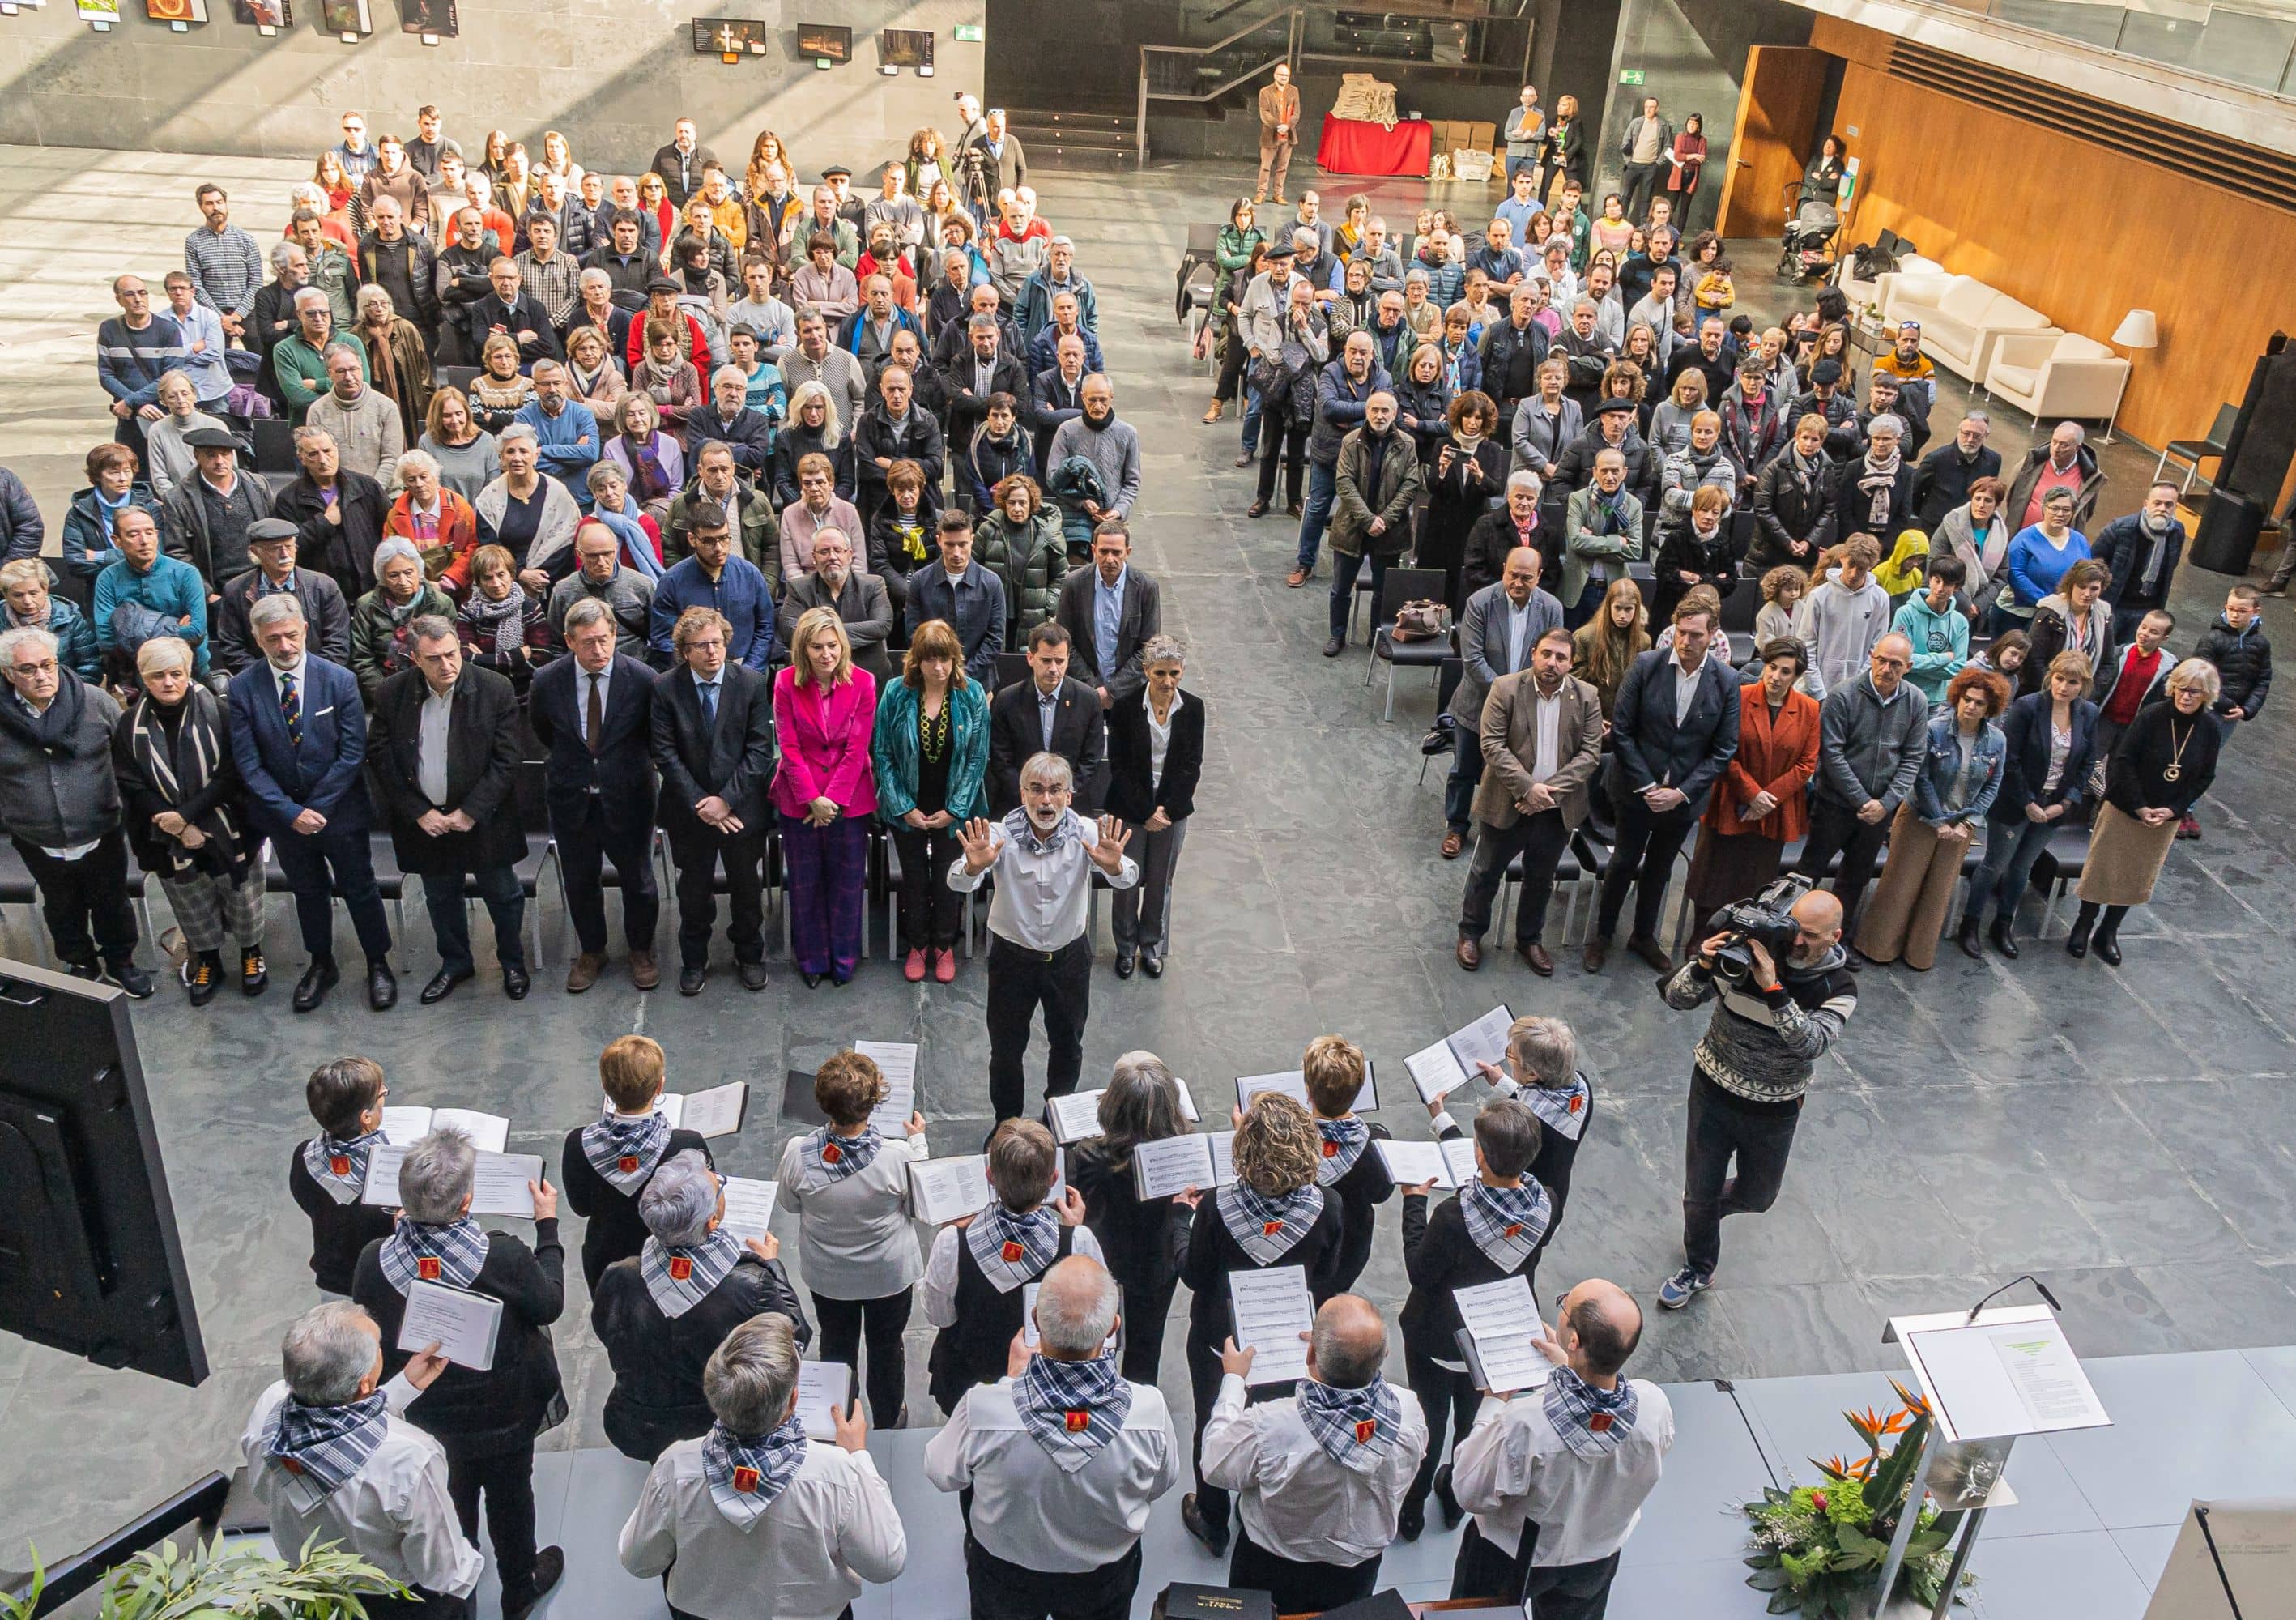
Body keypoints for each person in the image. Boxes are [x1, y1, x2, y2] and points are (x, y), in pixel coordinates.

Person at [349, 1131, 566, 1620]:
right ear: (469, 1200)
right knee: (513, 1498)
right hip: (506, 1413)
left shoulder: (372, 1263)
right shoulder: (504, 1256)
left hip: (425, 1421)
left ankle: (456, 1588)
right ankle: (519, 1586)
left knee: (449, 1501)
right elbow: (549, 1304)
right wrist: (547, 1229)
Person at [925, 1252, 1177, 1620]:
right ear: (1112, 1329)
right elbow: (1161, 1482)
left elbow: (940, 1472)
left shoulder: (983, 1408)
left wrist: (1010, 1384)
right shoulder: (1149, 1412)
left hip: (1005, 1574)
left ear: (1035, 1322)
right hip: (1103, 1577)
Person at [617, 1313, 907, 1620]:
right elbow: (886, 1562)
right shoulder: (837, 1474)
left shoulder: (675, 1468)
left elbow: (638, 1560)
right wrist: (858, 1456)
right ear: (793, 1400)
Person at [1655, 886, 1854, 1307]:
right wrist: (1702, 964)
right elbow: (1676, 999)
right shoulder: (1746, 955)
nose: (1797, 942)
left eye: (1812, 936)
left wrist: (1774, 988)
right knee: (1701, 1191)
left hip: (1775, 1108)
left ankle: (1702, 1209)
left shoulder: (1839, 986)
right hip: (1712, 1090)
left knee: (1759, 1196)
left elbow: (1812, 1044)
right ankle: (1699, 1264)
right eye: (1795, 930)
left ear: (1836, 936)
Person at [1174, 1092, 1345, 1556]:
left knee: (1214, 1422)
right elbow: (1328, 1279)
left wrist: (1180, 1219)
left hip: (1220, 1344)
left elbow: (1193, 1273)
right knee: (1274, 1426)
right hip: (1290, 1344)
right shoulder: (1328, 1206)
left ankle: (1211, 1517)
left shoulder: (1213, 1207)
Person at [241, 1304, 480, 1620]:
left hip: (310, 1589)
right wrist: (473, 1565)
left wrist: (402, 1388)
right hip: (399, 1604)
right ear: (365, 1385)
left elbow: (331, 1432)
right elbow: (442, 1571)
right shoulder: (410, 1459)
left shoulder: (269, 1408)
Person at [1450, 1279, 1672, 1616]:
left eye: (1564, 1304)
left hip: (1509, 1556)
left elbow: (1467, 1490)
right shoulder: (1653, 1406)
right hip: (1597, 1556)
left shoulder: (1524, 1423)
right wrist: (1567, 1365)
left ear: (1573, 1340)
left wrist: (1492, 1406)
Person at [1203, 1294, 1427, 1614]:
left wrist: (1234, 1380)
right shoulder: (1407, 1411)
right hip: (1358, 1569)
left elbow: (1215, 1464)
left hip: (1271, 1565)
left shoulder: (1270, 1425)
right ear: (1384, 1355)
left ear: (1310, 1353)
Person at [1395, 1092, 1552, 1544]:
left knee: (1428, 1422)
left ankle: (1412, 1509)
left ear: (1479, 1155)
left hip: (1438, 1338)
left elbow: (1419, 1272)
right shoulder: (1546, 1204)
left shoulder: (1452, 1215)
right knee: (1471, 1423)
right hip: (1497, 1342)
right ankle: (1453, 1494)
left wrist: (1413, 1205)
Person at [229, 595, 396, 1009]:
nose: (284, 646)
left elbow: (353, 751)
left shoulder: (339, 680)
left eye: (290, 635)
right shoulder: (242, 688)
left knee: (360, 888)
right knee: (307, 891)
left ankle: (378, 962)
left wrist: (317, 809)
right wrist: (290, 813)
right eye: (273, 639)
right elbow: (249, 765)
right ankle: (322, 963)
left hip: (340, 812)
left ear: (305, 629)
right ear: (257, 639)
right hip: (285, 819)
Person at [953, 751, 1138, 1120]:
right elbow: (957, 879)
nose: (1046, 800)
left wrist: (1115, 865)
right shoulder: (998, 836)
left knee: (1068, 1046)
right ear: (1022, 795)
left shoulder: (1088, 833)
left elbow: (1129, 875)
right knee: (1005, 1050)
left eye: (1055, 790)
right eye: (1036, 790)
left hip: (1069, 960)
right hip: (1012, 960)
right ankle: (1007, 1124)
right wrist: (973, 868)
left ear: (1069, 796)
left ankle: (1057, 1122)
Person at [592, 1150, 807, 1464]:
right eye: (718, 1188)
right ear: (712, 1221)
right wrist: (773, 1266)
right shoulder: (750, 1284)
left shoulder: (619, 1276)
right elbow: (791, 1338)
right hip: (719, 1422)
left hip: (641, 1422)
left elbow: (606, 1330)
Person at [367, 616, 529, 1004]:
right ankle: (456, 962)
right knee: (440, 896)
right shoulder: (391, 693)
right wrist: (417, 812)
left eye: (452, 654)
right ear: (415, 659)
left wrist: (470, 811)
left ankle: (512, 962)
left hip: (484, 818)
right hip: (427, 821)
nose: (447, 665)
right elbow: (380, 756)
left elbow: (508, 759)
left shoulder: (495, 688)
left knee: (503, 894)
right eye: (434, 658)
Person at [775, 1048, 930, 1429]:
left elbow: (789, 1204)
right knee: (886, 1348)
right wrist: (919, 1143)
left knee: (837, 1345)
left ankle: (840, 1417)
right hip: (888, 1277)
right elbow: (921, 1205)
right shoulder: (898, 1156)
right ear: (873, 1104)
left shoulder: (798, 1153)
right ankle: (890, 1417)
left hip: (829, 1277)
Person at [1586, 598, 1739, 974]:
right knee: (1622, 862)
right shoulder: (1646, 666)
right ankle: (1603, 935)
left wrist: (1680, 793)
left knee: (1660, 867)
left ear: (1712, 635)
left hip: (1683, 798)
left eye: (1696, 635)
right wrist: (1648, 787)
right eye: (1681, 633)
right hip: (1636, 791)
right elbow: (1621, 730)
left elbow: (1723, 749)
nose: (1686, 641)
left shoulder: (1727, 680)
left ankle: (1643, 936)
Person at [112, 635, 266, 1004]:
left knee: (241, 894)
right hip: (163, 830)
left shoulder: (221, 712)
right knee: (189, 896)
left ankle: (251, 955)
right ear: (143, 679)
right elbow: (130, 780)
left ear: (188, 672)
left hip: (228, 823)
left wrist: (186, 816)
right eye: (157, 676)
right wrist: (176, 826)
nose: (168, 683)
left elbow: (233, 773)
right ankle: (208, 959)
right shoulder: (129, 725)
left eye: (175, 673)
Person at [0, 627, 147, 995]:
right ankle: (81, 961)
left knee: (111, 900)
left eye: (48, 665)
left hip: (102, 828)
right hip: (35, 835)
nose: (41, 675)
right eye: (28, 669)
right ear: (8, 674)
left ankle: (121, 961)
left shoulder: (96, 702)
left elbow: (130, 762)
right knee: (62, 906)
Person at [1455, 624, 1605, 976]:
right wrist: (1528, 789)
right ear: (1533, 654)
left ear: (1571, 663)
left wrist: (1547, 793)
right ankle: (1470, 934)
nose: (1552, 662)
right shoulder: (1505, 688)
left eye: (1561, 657)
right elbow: (1492, 745)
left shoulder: (1587, 697)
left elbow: (1589, 754)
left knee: (1541, 877)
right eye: (1547, 654)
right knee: (1486, 872)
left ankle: (1529, 939)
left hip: (1556, 809)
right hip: (1508, 801)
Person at [922, 1118, 1101, 1412]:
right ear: (1054, 1180)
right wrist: (1074, 1232)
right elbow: (1092, 1317)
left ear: (990, 1177)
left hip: (968, 1383)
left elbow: (939, 1316)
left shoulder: (952, 1242)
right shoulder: (1077, 1243)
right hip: (1044, 1385)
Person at [652, 605, 774, 994]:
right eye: (701, 645)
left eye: (717, 642)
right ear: (684, 651)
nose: (712, 652)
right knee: (693, 891)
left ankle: (749, 954)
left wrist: (726, 800)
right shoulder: (665, 688)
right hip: (690, 812)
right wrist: (703, 803)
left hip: (741, 809)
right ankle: (694, 959)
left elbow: (759, 751)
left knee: (746, 887)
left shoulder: (751, 683)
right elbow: (664, 753)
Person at [1855, 668, 2008, 971]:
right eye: (1968, 699)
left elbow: (1994, 783)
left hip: (1961, 825)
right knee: (1901, 884)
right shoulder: (1934, 729)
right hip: (1920, 817)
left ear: (1989, 709)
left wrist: (1968, 823)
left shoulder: (1997, 740)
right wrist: (1939, 820)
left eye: (1980, 703)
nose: (1972, 707)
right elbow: (1920, 778)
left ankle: (1918, 954)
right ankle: (1878, 948)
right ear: (1957, 697)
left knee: (1939, 891)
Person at [2069, 659, 2221, 964]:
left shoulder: (2209, 729)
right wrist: (2140, 806)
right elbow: (2123, 761)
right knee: (2104, 866)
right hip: (2126, 807)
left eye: (2194, 691)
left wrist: (2174, 809)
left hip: (2164, 817)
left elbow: (2205, 775)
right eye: (2180, 688)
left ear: (2206, 694)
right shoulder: (2152, 716)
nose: (2186, 696)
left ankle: (2109, 931)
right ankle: (2083, 924)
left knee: (2137, 874)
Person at [1956, 651, 2096, 960]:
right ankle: (1971, 922)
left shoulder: (2088, 713)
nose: (2063, 687)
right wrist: (2028, 802)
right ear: (2051, 676)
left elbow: (2086, 763)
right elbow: (2011, 759)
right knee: (1995, 864)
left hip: (2055, 806)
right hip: (2016, 801)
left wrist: (2067, 801)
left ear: (2082, 684)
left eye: (2072, 682)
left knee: (2023, 867)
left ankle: (2004, 922)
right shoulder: (2029, 706)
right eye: (2059, 678)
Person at [1794, 633, 1928, 947]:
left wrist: (1887, 803)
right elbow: (1831, 753)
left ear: (1907, 667)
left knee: (1855, 877)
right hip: (1835, 805)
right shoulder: (1843, 696)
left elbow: (1913, 757)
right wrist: (1862, 799)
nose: (1887, 669)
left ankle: (1837, 942)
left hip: (1881, 810)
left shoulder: (1916, 701)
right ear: (1871, 657)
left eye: (1896, 664)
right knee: (1809, 871)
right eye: (1882, 660)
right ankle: (1791, 934)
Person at [875, 619, 989, 982]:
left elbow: (977, 758)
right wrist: (902, 806)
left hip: (953, 806)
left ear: (955, 659)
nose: (938, 668)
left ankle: (944, 946)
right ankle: (917, 945)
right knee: (913, 879)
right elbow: (883, 754)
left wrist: (955, 809)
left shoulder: (971, 694)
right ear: (916, 661)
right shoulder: (895, 692)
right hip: (908, 805)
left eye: (945, 660)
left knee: (947, 878)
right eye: (929, 660)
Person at [773, 608, 877, 987]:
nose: (826, 654)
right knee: (805, 883)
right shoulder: (785, 682)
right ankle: (813, 960)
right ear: (803, 649)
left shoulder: (864, 682)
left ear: (843, 646)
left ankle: (844, 959)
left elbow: (857, 747)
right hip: (799, 798)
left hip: (849, 798)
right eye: (817, 647)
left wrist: (830, 800)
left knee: (848, 883)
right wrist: (812, 799)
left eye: (832, 645)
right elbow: (788, 746)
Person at [1685, 637, 1819, 921]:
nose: (1776, 676)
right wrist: (1751, 793)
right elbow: (1721, 748)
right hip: (1731, 798)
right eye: (1772, 667)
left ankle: (1740, 931)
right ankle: (1703, 928)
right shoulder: (1740, 695)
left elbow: (1807, 763)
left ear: (1797, 676)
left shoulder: (1809, 709)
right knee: (1713, 869)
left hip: (1774, 808)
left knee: (1755, 874)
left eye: (1786, 671)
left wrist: (1768, 797)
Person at [561, 1035, 709, 1290]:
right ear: (659, 1087)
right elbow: (706, 1203)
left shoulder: (578, 1143)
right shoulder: (685, 1143)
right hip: (672, 1259)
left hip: (606, 1259)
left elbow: (580, 1207)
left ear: (605, 1088)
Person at [1102, 635, 1202, 981]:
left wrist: (1167, 812)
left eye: (1174, 673)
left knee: (1161, 881)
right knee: (1126, 880)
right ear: (1146, 671)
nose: (1167, 681)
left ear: (1182, 672)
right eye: (1160, 673)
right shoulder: (1126, 709)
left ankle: (1152, 946)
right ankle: (1126, 947)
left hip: (1172, 812)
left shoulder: (1194, 709)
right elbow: (1120, 767)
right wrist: (1146, 811)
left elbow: (1191, 766)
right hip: (1131, 810)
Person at [288, 1058, 402, 1302]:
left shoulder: (304, 1156)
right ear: (366, 1118)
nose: (385, 1098)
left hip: (330, 1284)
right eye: (382, 1094)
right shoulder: (391, 1180)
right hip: (376, 1289)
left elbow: (308, 1201)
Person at [988, 622, 1106, 815]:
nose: (1053, 669)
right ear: (1030, 657)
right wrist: (1028, 795)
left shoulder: (1088, 699)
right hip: (1017, 804)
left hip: (1071, 805)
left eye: (1059, 661)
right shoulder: (1007, 699)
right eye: (1046, 660)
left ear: (1068, 659)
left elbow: (1091, 759)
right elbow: (1001, 759)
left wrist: (1063, 794)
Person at [649, 497, 775, 670]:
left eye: (724, 538)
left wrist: (749, 673)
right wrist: (692, 671)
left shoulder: (750, 574)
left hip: (744, 669)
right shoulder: (672, 581)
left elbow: (765, 629)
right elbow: (664, 640)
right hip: (692, 673)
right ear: (692, 539)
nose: (719, 548)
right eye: (709, 541)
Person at [92, 505, 211, 681]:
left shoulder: (186, 573)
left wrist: (132, 631)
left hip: (190, 669)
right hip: (136, 673)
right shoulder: (108, 578)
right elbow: (107, 637)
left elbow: (195, 631)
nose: (144, 540)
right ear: (117, 541)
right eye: (133, 534)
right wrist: (175, 627)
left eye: (149, 532)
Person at [2187, 585, 2269, 838]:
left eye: (2242, 611)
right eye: (2231, 609)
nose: (2235, 615)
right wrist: (2226, 704)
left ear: (2255, 611)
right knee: (2191, 755)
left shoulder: (2260, 644)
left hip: (2232, 714)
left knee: (2207, 760)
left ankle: (2187, 807)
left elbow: (2263, 680)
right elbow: (2201, 675)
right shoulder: (2213, 639)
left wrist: (2246, 710)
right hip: (2210, 709)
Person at [1056, 521, 1161, 707]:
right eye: (1104, 552)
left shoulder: (1146, 587)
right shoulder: (1073, 584)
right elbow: (1064, 641)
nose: (1110, 559)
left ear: (1128, 552)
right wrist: (1093, 688)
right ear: (1094, 550)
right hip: (1083, 690)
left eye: (1117, 552)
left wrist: (1112, 690)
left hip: (1131, 693)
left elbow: (1149, 648)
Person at [907, 510, 1008, 686]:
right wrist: (940, 670)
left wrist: (964, 673)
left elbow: (995, 639)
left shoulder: (992, 583)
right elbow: (914, 634)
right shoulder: (920, 581)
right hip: (932, 680)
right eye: (950, 545)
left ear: (972, 540)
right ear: (939, 541)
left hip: (979, 683)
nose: (957, 552)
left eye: (962, 544)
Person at [976, 473, 1067, 646]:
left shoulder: (1045, 534)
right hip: (993, 612)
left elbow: (1061, 575)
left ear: (1031, 503)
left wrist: (1047, 604)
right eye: (1012, 502)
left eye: (1022, 503)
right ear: (1004, 503)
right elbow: (973, 569)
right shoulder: (988, 531)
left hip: (1033, 614)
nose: (1017, 509)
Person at [2092, 480, 2184, 640]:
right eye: (2157, 503)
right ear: (2146, 504)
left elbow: (2169, 569)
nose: (2162, 509)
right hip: (2114, 605)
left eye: (2169, 505)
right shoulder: (2120, 529)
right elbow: (2093, 564)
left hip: (2146, 611)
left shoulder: (2177, 533)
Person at [1803, 533, 1892, 695]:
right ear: (1842, 557)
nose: (1854, 573)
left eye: (1862, 568)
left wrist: (1858, 687)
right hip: (1816, 690)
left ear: (1872, 566)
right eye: (1851, 564)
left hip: (1857, 692)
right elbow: (1806, 645)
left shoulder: (1881, 599)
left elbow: (1877, 647)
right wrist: (1818, 692)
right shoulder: (1819, 596)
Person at [2020, 558, 2114, 700]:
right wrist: (2056, 690)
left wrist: (2088, 693)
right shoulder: (2050, 614)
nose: (2087, 594)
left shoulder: (2105, 616)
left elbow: (2107, 663)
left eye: (2094, 589)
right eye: (2082, 587)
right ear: (2071, 586)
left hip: (2083, 696)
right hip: (2044, 693)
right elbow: (2034, 660)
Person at [0, 559, 97, 683]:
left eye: (33, 593)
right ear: (6, 595)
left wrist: (68, 692)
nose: (27, 601)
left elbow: (90, 665)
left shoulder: (69, 616)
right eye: (18, 595)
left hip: (64, 690)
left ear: (45, 589)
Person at [2005, 419, 2107, 535]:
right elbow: (2012, 496)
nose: (2056, 449)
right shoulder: (2031, 463)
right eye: (2054, 442)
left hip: (2058, 544)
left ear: (2077, 448)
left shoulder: (2090, 476)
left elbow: (2086, 511)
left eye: (2064, 445)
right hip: (2022, 536)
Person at [1893, 554, 1972, 706]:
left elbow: (1957, 667)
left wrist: (1914, 665)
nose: (1940, 588)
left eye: (1948, 584)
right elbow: (1901, 659)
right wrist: (1943, 659)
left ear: (1957, 587)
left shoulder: (1960, 622)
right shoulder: (1905, 613)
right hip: (1904, 694)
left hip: (1938, 700)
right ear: (1929, 580)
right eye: (1937, 581)